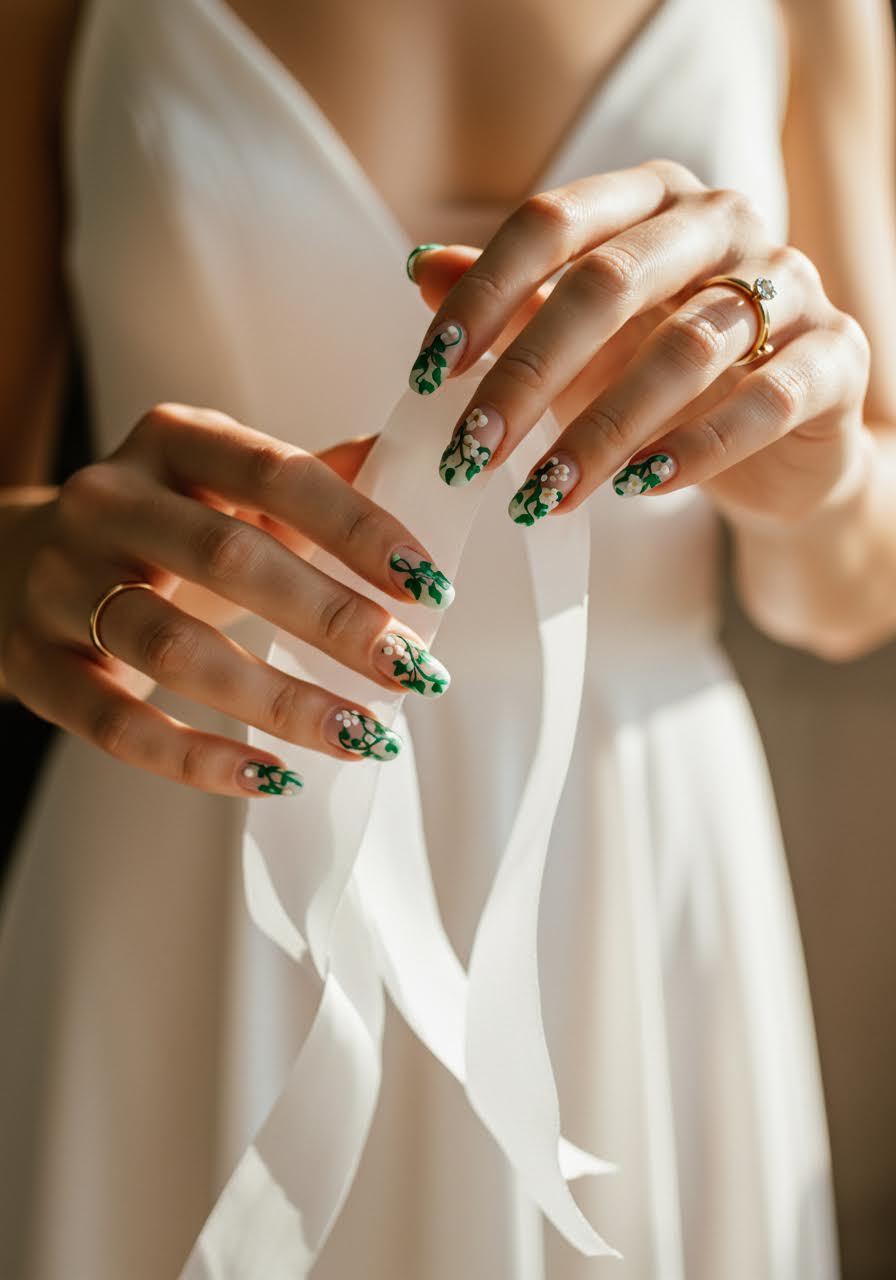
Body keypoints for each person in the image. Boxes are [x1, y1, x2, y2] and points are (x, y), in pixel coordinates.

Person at [1, 0, 895, 1275]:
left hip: (627, 871)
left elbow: (852, 588)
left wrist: (821, 475)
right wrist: (24, 565)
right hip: (185, 842)